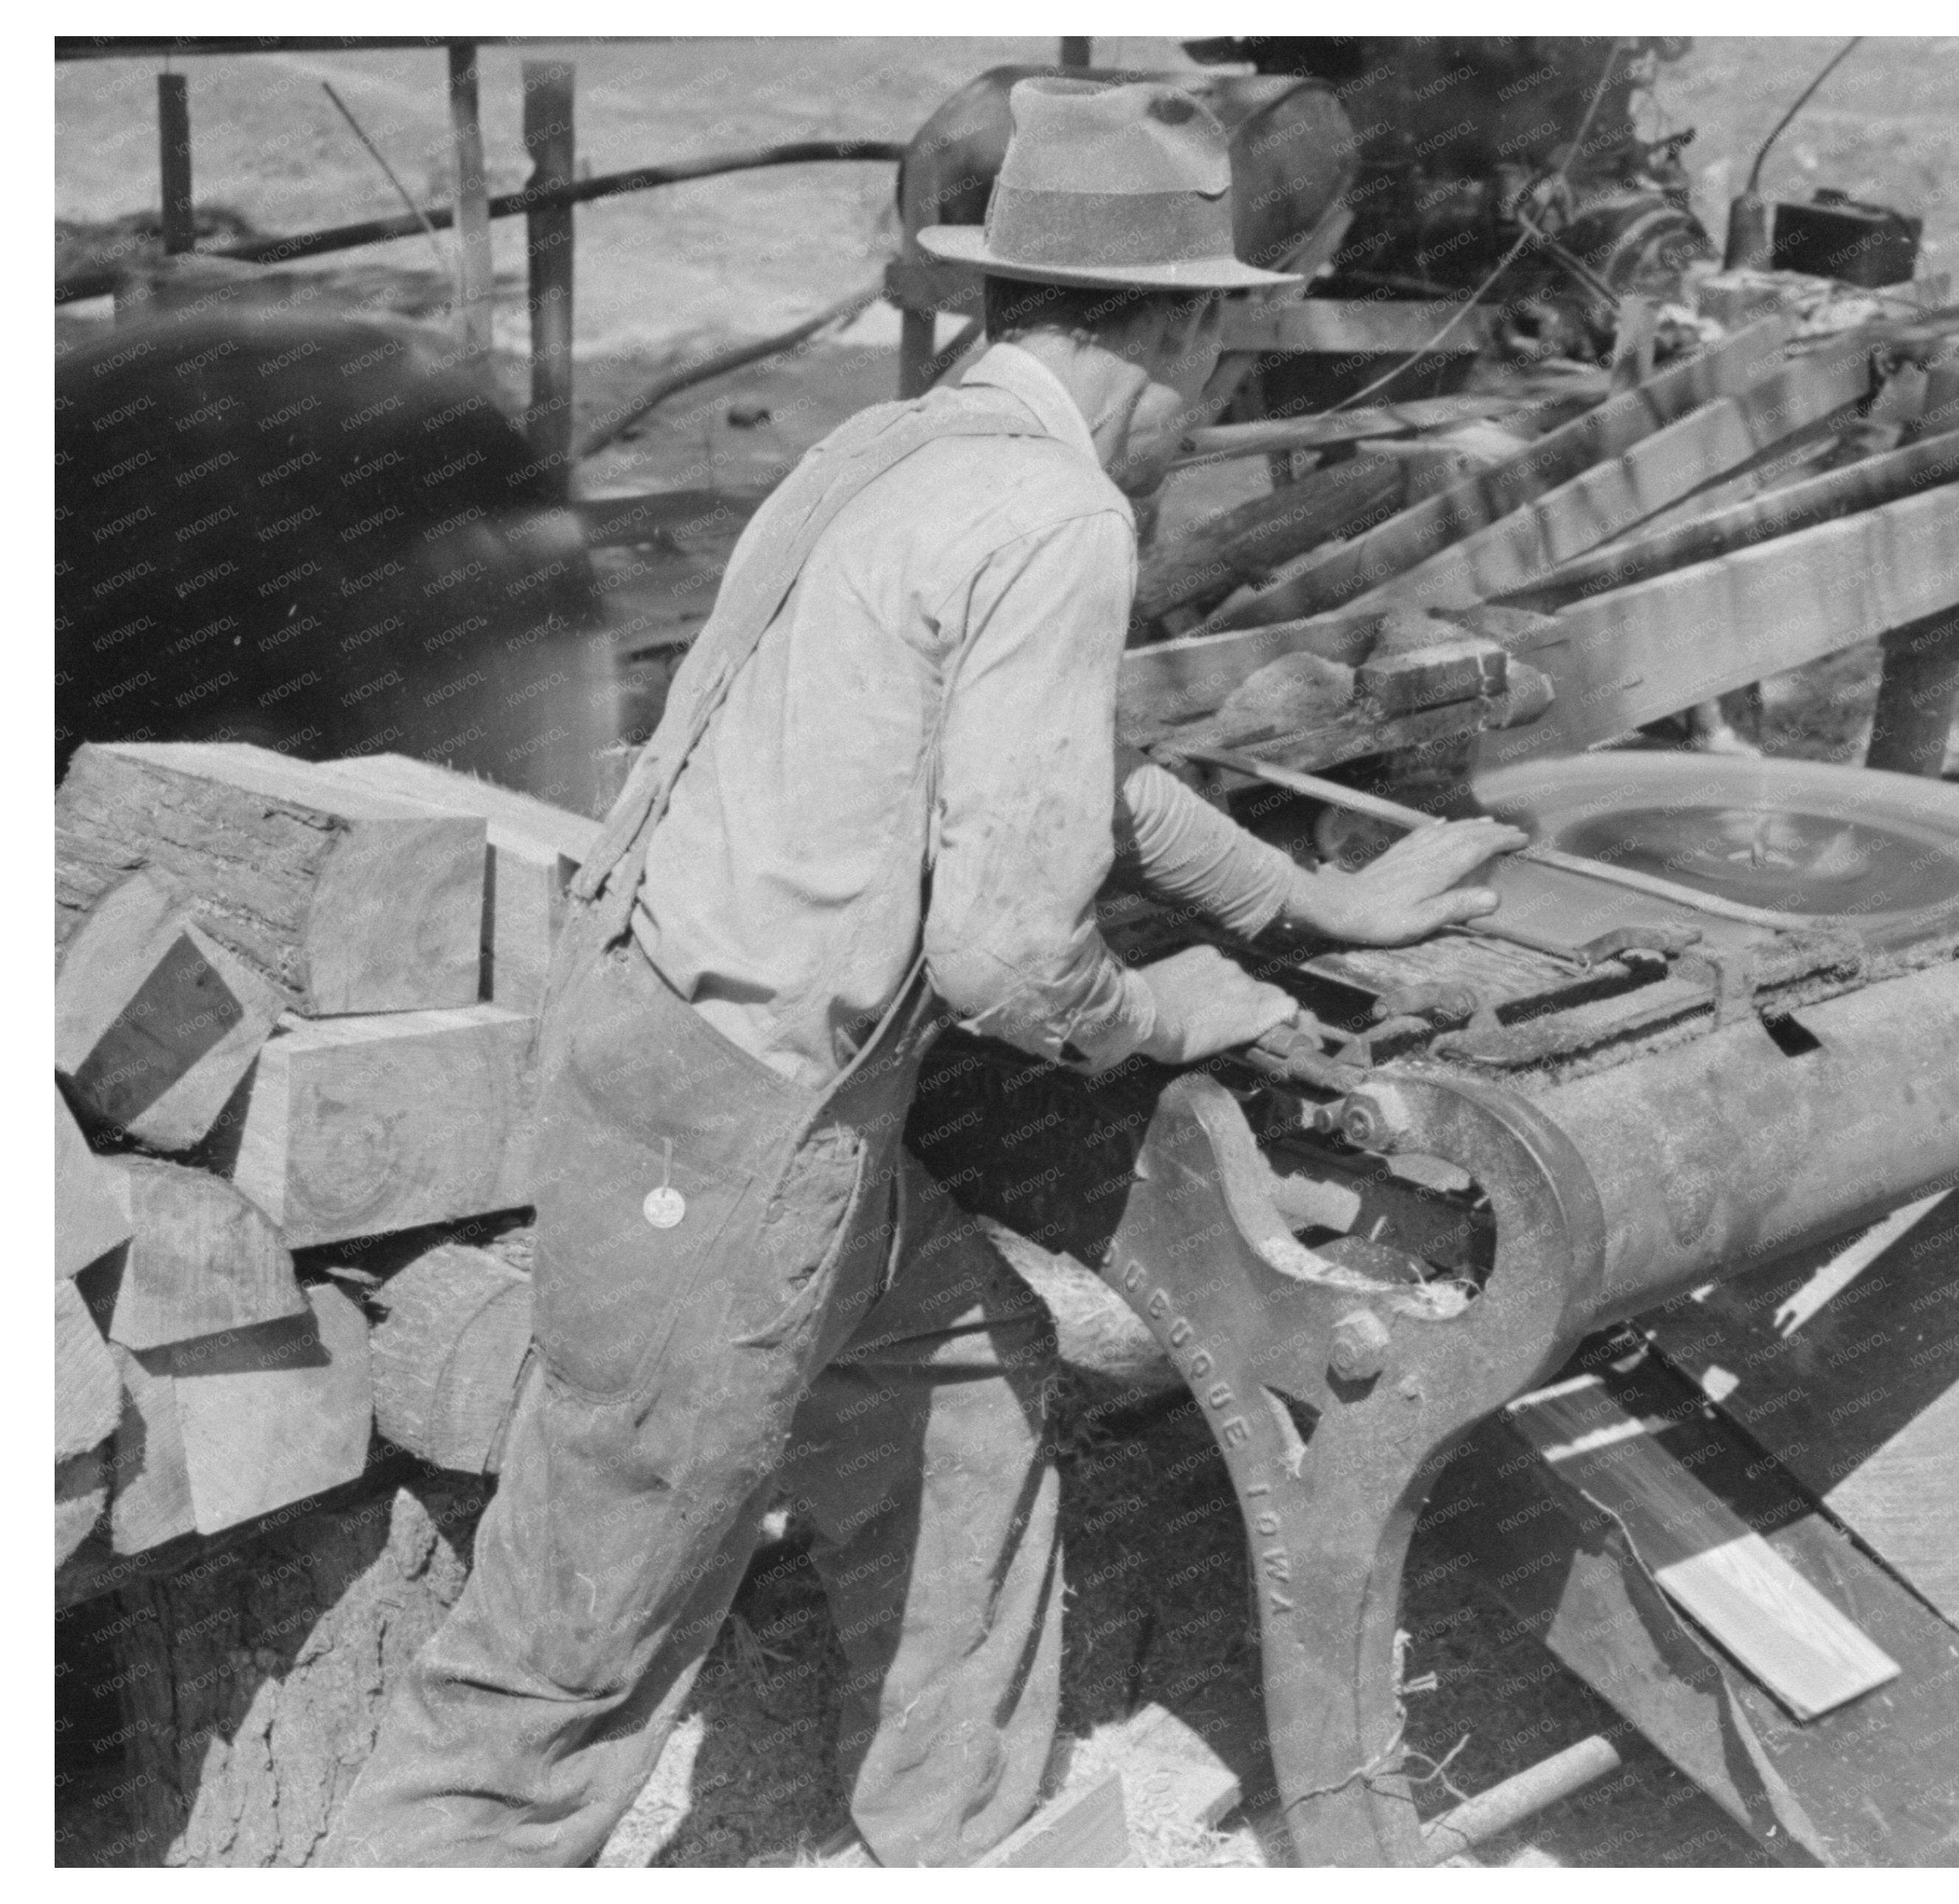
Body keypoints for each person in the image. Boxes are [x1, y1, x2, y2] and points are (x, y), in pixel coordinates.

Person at [330, 77, 1522, 1867]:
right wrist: (1174, 1011)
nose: (1208, 410)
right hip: (729, 1142)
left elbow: (1073, 779)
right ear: (1188, 327)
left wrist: (1304, 908)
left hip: (673, 1062)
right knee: (558, 1675)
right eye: (1220, 355)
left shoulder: (886, 451)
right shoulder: (1057, 520)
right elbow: (1004, 957)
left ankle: (953, 1830)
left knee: (968, 1370)